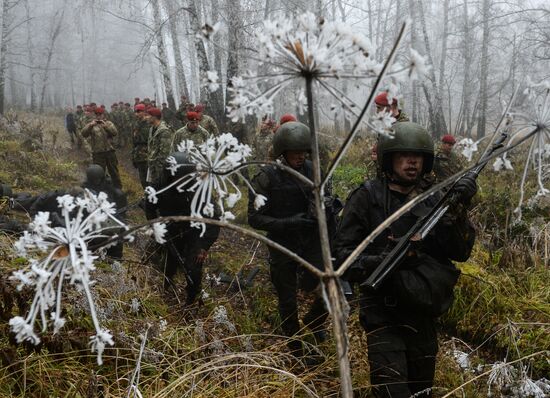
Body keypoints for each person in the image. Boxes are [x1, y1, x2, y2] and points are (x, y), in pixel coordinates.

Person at [334, 122, 477, 397]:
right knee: (392, 392)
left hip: (422, 312)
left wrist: (459, 209)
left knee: (422, 392)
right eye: (404, 156)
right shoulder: (366, 198)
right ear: (389, 158)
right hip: (383, 313)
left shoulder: (436, 199)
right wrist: (382, 260)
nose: (412, 162)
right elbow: (343, 258)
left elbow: (460, 252)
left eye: (418, 156)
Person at [248, 121, 328, 363]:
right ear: (283, 152)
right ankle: (295, 347)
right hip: (282, 242)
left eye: (304, 152)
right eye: (295, 153)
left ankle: (314, 320)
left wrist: (324, 208)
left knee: (329, 286)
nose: (300, 157)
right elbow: (254, 218)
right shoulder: (266, 177)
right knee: (287, 297)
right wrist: (289, 222)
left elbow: (326, 195)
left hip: (310, 239)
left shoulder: (313, 169)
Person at [151, 152, 220, 304]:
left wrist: (204, 246)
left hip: (194, 231)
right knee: (168, 263)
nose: (177, 182)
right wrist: (157, 227)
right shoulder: (160, 185)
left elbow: (214, 218)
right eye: (174, 177)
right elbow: (150, 207)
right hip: (170, 230)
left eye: (181, 178)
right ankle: (165, 290)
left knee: (193, 268)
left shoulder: (199, 189)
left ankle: (192, 299)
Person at [81, 107, 122, 189]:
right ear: (95, 115)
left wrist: (106, 126)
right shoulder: (91, 124)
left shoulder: (108, 123)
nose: (99, 116)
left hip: (110, 152)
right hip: (98, 153)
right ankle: (101, 190)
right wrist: (90, 126)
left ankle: (118, 189)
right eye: (97, 114)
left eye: (100, 114)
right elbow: (83, 134)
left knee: (114, 172)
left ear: (103, 115)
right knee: (99, 173)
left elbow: (115, 133)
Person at [146, 107, 174, 192]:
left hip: (161, 168)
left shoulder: (164, 131)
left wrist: (159, 171)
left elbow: (165, 154)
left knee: (162, 189)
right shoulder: (152, 129)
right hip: (153, 166)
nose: (146, 117)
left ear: (154, 117)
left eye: (148, 115)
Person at [132, 104, 150, 188]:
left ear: (144, 112)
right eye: (136, 112)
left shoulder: (148, 123)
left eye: (139, 112)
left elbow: (148, 138)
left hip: (147, 155)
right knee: (143, 180)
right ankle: (146, 196)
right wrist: (133, 156)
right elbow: (133, 141)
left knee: (149, 179)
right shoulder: (136, 123)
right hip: (138, 155)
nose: (137, 114)